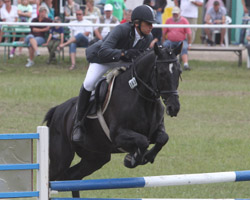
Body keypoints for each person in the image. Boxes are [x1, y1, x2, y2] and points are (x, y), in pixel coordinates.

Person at [71, 5, 155, 145]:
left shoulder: (148, 37)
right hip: (103, 59)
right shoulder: (121, 29)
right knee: (89, 83)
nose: (151, 27)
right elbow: (104, 51)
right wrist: (124, 53)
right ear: (137, 23)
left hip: (123, 62)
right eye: (148, 23)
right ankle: (78, 123)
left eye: (152, 24)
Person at [162, 6, 192, 70]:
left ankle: (186, 64)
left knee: (183, 47)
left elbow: (189, 33)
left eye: (176, 14)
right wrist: (163, 41)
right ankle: (165, 62)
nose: (175, 15)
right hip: (170, 41)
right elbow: (164, 33)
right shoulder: (168, 20)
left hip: (181, 40)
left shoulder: (184, 21)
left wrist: (189, 44)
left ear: (179, 14)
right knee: (164, 46)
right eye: (174, 14)